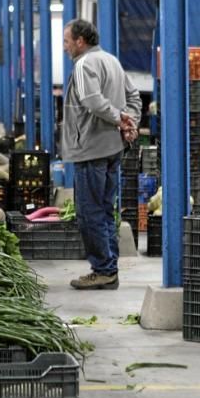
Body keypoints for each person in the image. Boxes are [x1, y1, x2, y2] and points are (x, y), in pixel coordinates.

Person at [62, 19, 142, 291]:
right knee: (106, 209)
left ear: (80, 41)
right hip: (113, 148)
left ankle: (103, 270)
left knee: (89, 212)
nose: (65, 47)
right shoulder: (112, 61)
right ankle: (109, 267)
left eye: (66, 41)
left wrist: (120, 119)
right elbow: (134, 97)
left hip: (91, 149)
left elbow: (92, 101)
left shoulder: (84, 64)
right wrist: (130, 121)